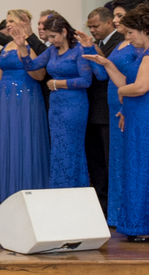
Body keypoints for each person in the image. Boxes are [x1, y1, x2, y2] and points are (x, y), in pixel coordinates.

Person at [84, 7, 149, 241]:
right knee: (136, 169)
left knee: (148, 169)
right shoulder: (143, 52)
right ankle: (139, 225)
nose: (128, 38)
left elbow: (140, 86)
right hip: (138, 114)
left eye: (131, 33)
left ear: (145, 30)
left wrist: (122, 94)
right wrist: (106, 64)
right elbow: (125, 81)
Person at [81, 0, 145, 221]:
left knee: (114, 162)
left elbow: (132, 76)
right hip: (102, 106)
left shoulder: (136, 43)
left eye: (119, 16)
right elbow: (104, 71)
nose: (117, 20)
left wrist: (96, 53)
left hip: (121, 105)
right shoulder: (120, 43)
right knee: (99, 162)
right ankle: (105, 207)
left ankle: (119, 209)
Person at [18, 14, 93, 188]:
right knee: (58, 148)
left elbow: (86, 81)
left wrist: (58, 83)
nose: (51, 40)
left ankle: (73, 189)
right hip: (56, 106)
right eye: (49, 36)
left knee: (71, 148)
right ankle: (58, 189)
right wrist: (22, 47)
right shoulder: (52, 50)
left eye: (53, 36)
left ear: (64, 32)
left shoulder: (79, 50)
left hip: (74, 105)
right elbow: (31, 65)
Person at [0, 15, 50, 201]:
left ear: (23, 23)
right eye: (7, 21)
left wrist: (23, 50)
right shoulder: (6, 47)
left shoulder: (29, 46)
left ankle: (26, 186)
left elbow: (39, 75)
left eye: (11, 21)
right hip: (5, 97)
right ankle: (7, 189)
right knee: (7, 138)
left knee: (24, 137)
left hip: (26, 96)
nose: (8, 24)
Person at [82, 7, 125, 214]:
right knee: (95, 162)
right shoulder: (97, 43)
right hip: (92, 109)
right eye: (90, 26)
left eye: (96, 26)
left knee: (109, 161)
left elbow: (110, 69)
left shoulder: (120, 42)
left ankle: (112, 205)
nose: (93, 30)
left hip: (109, 110)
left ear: (109, 23)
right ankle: (100, 204)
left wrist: (94, 52)